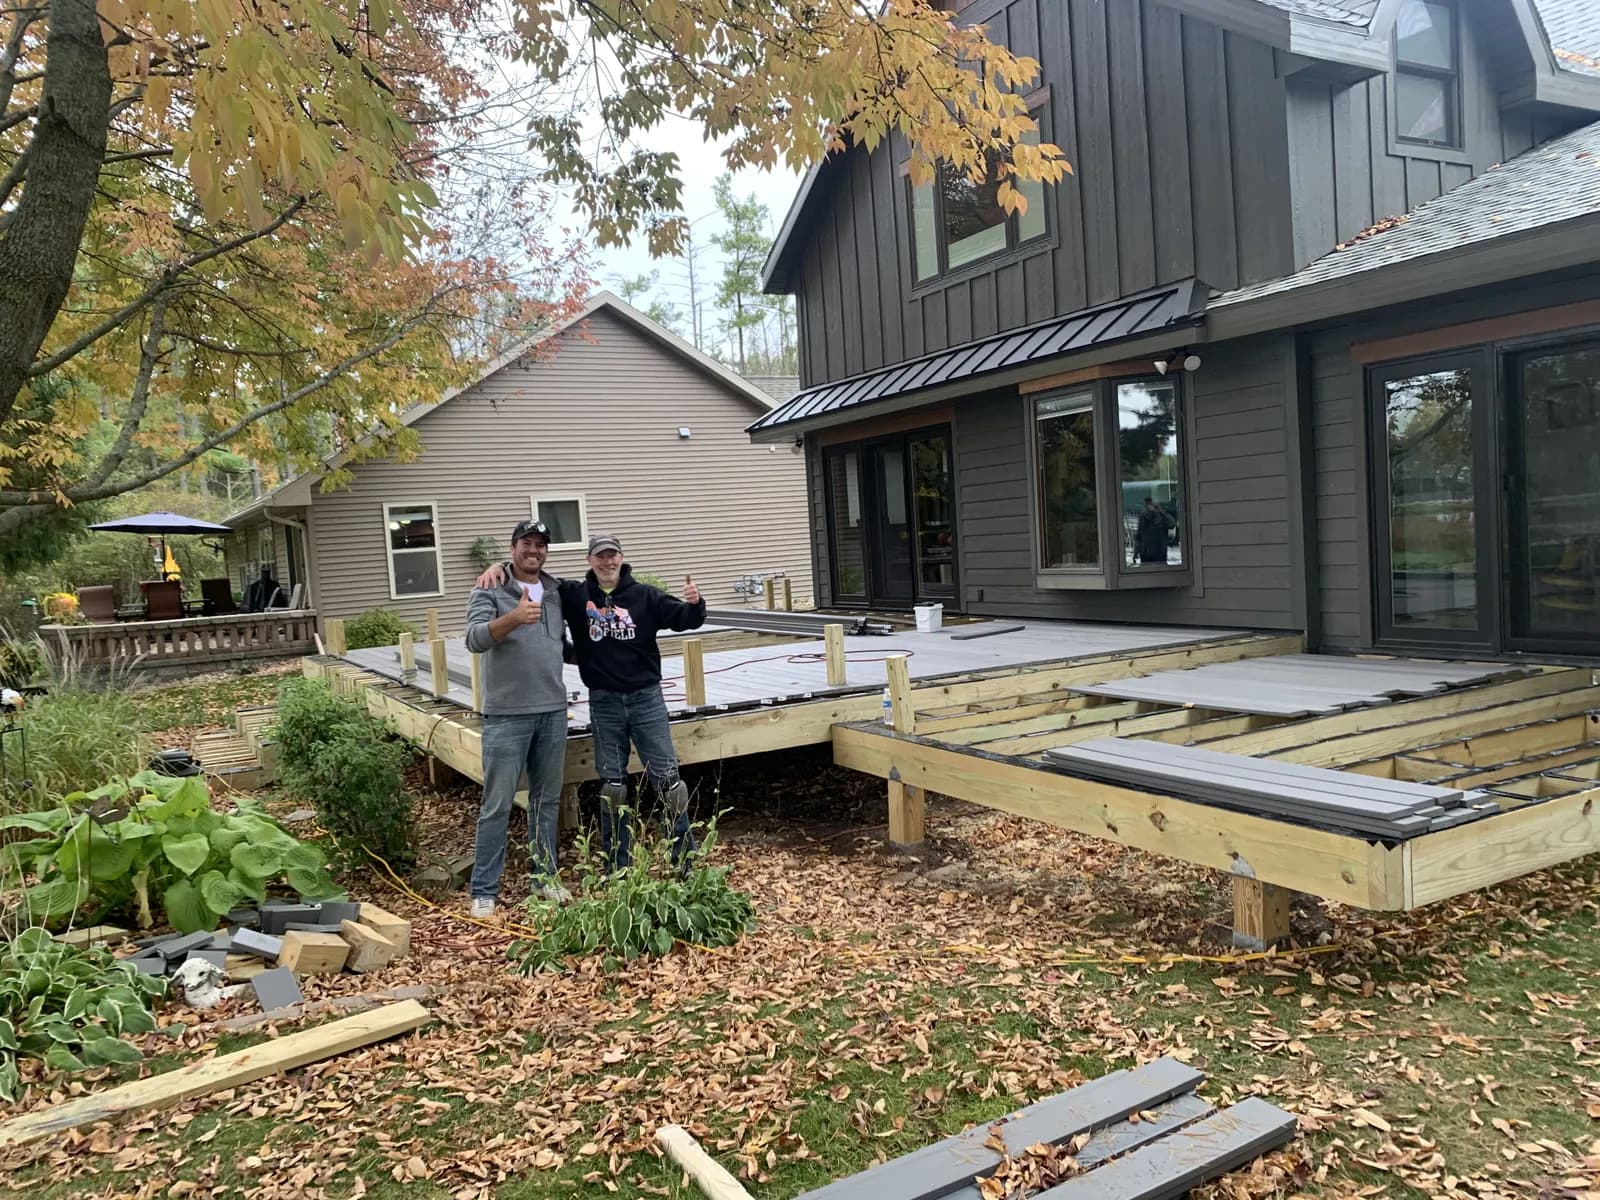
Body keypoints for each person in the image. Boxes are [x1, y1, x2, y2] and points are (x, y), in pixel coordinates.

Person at [478, 533, 705, 871]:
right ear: (590, 561)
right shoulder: (574, 594)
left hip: (646, 700)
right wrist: (499, 567)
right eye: (600, 556)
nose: (607, 562)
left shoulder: (645, 596)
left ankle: (684, 859)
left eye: (612, 555)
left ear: (622, 558)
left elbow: (688, 619)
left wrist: (695, 603)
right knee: (613, 787)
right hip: (604, 702)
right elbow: (535, 576)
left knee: (669, 782)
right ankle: (618, 866)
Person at [463, 519, 571, 917]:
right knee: (497, 804)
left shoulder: (558, 591)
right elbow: (474, 639)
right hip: (507, 715)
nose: (534, 550)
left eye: (541, 545)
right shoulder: (490, 587)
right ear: (513, 550)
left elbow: (563, 644)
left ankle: (545, 878)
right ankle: (484, 889)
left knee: (547, 801)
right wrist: (512, 617)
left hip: (552, 711)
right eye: (527, 543)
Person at [1135, 497, 1176, 565]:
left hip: (1159, 553)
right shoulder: (1143, 516)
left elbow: (1172, 524)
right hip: (1146, 553)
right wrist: (1136, 551)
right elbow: (1139, 536)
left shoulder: (1162, 518)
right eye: (1147, 505)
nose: (1150, 508)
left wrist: (1161, 511)